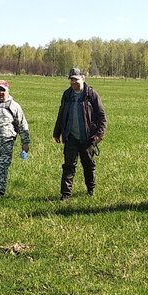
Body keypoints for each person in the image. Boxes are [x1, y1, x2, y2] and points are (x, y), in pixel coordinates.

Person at [52, 67, 106, 199]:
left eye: (75, 79)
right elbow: (61, 113)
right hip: (70, 136)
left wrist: (98, 136)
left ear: (83, 78)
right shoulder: (67, 94)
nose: (73, 82)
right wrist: (57, 132)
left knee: (88, 166)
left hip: (87, 138)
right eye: (71, 80)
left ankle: (90, 190)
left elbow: (102, 117)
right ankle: (65, 195)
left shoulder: (91, 95)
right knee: (68, 167)